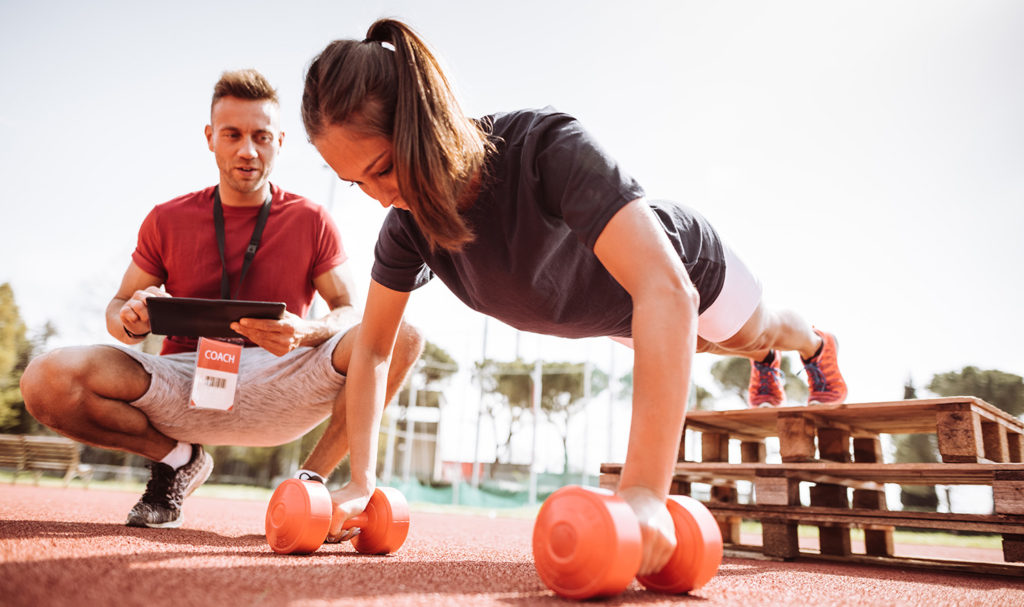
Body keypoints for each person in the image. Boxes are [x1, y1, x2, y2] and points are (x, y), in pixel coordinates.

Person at [299, 19, 847, 574]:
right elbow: (371, 350)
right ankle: (761, 362)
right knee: (703, 350)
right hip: (618, 314)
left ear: (421, 121)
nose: (379, 196)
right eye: (356, 184)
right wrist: (362, 480)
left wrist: (644, 494)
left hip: (680, 272)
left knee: (751, 332)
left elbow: (664, 289)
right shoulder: (406, 227)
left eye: (383, 169)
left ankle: (810, 346)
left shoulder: (546, 148)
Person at [20, 69, 423, 530]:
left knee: (403, 335)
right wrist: (130, 318)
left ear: (280, 141)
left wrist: (305, 330)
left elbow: (352, 311)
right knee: (44, 379)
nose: (247, 150)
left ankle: (312, 483)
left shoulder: (312, 218)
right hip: (183, 382)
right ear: (211, 138)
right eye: (232, 134)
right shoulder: (166, 218)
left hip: (284, 377)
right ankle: (177, 459)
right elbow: (116, 309)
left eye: (261, 136)